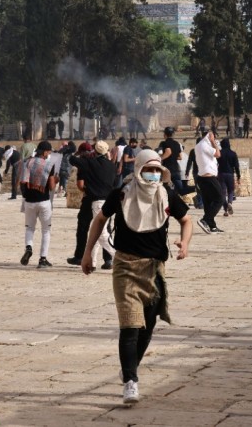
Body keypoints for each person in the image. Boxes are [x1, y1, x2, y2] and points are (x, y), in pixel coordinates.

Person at [81, 149, 192, 404]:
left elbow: (187, 220)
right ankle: (131, 380)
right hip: (125, 268)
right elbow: (99, 220)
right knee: (130, 326)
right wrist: (88, 253)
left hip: (154, 269)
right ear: (138, 169)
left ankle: (129, 367)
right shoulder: (121, 195)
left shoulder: (167, 196)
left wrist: (185, 244)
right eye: (148, 170)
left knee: (148, 326)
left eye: (156, 170)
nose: (153, 175)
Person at [67, 140, 117, 267]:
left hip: (97, 201)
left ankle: (118, 257)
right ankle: (92, 262)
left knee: (101, 233)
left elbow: (72, 160)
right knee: (97, 231)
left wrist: (76, 152)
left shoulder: (90, 163)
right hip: (110, 201)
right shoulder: (112, 166)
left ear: (95, 151)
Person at [20, 141, 58, 268]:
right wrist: (56, 180)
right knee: (46, 230)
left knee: (30, 228)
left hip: (29, 201)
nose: (50, 154)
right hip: (43, 201)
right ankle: (42, 259)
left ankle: (29, 248)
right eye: (49, 151)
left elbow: (22, 182)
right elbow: (52, 187)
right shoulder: (49, 165)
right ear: (45, 152)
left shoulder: (27, 162)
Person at [194, 131, 223, 234]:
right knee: (220, 199)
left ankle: (212, 226)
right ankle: (205, 219)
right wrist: (212, 141)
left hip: (202, 177)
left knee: (208, 202)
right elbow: (218, 154)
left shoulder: (198, 146)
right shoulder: (204, 145)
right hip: (209, 177)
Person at [217, 137, 240, 217]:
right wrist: (238, 176)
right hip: (230, 174)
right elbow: (236, 166)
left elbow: (215, 164)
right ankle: (230, 202)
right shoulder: (233, 154)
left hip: (221, 174)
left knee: (223, 192)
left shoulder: (219, 153)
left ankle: (226, 210)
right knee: (230, 191)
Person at [158, 127, 184, 194]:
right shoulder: (177, 143)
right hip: (176, 169)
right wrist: (173, 157)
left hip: (167, 169)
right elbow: (180, 157)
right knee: (180, 188)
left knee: (164, 188)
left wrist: (160, 159)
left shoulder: (163, 143)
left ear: (165, 135)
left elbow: (168, 152)